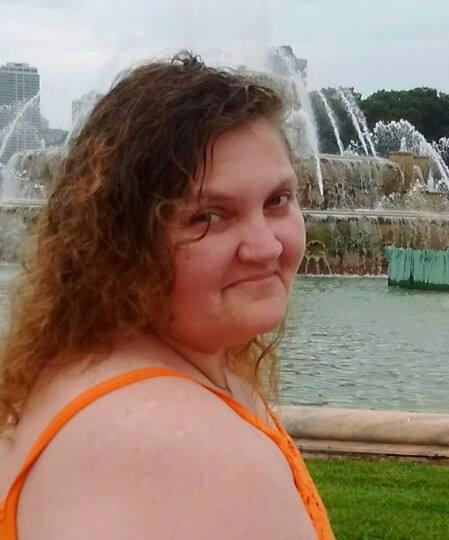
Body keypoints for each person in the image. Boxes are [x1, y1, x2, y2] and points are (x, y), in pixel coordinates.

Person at [0, 52, 334, 540]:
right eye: (208, 217)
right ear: (121, 238)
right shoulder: (182, 447)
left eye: (276, 201)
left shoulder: (92, 368)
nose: (266, 247)